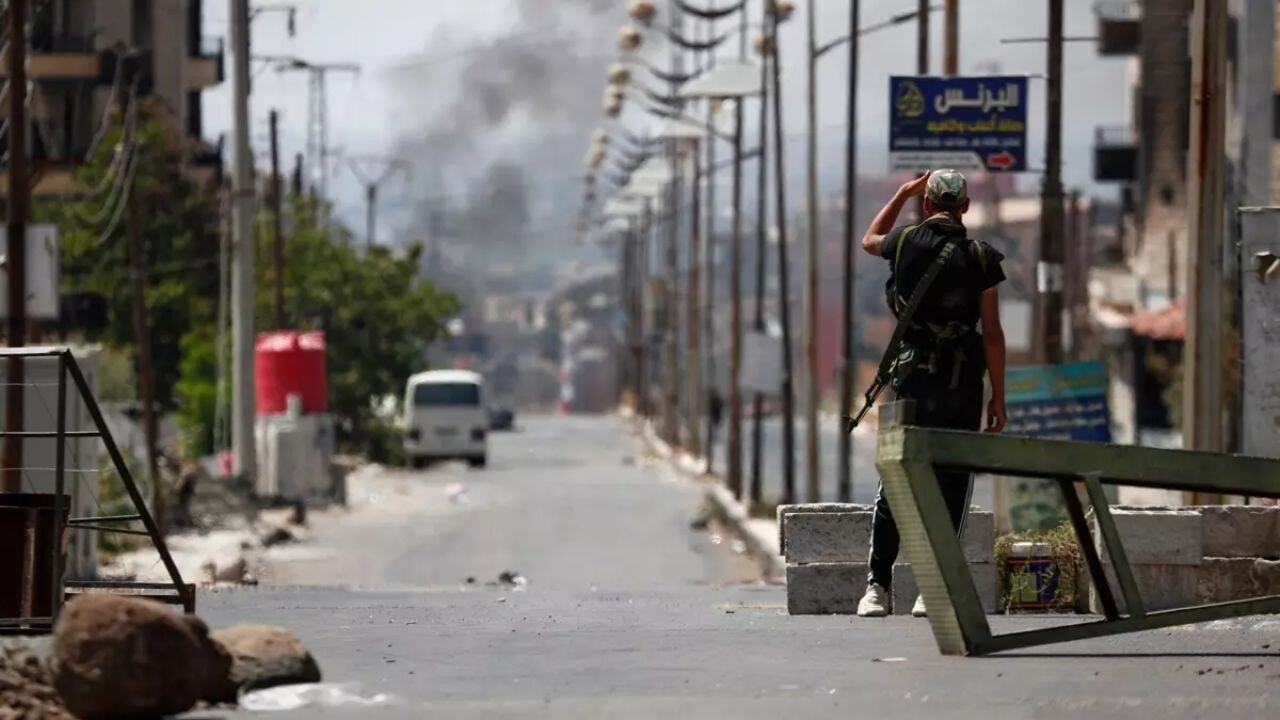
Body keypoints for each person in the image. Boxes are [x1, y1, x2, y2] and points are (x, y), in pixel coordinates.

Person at [856, 169, 1008, 618]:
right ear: (964, 207)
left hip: (912, 379)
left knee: (897, 478)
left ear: (927, 205)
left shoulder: (903, 243)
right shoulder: (981, 257)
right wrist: (998, 397)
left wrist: (902, 191)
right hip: (961, 383)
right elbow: (993, 334)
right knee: (953, 481)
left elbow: (870, 239)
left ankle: (877, 588)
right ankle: (932, 587)